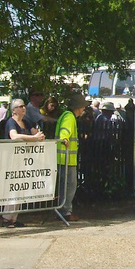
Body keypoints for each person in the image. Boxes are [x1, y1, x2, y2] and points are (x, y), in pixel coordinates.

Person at [1, 98, 46, 227]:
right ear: (14, 110)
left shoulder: (26, 121)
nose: (23, 108)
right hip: (12, 160)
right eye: (20, 107)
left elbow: (35, 132)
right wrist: (33, 138)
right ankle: (6, 218)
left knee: (20, 188)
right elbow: (14, 136)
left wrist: (39, 136)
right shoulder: (11, 122)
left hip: (24, 160)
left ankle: (14, 218)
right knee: (12, 188)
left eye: (24, 106)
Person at [56, 93, 86, 222]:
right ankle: (66, 212)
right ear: (78, 107)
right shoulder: (70, 117)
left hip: (64, 158)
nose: (84, 109)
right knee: (69, 186)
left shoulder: (66, 115)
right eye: (83, 107)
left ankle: (63, 210)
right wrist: (64, 138)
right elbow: (64, 132)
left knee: (65, 185)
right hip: (66, 158)